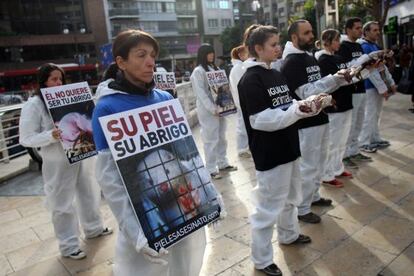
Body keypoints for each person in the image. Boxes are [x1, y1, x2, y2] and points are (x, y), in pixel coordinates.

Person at [91, 30, 208, 276]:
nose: (151, 62)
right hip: (143, 216)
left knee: (187, 263)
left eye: (153, 55)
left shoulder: (165, 98)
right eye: (141, 55)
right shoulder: (106, 108)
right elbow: (110, 178)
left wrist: (209, 197)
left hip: (185, 208)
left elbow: (186, 152)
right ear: (120, 62)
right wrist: (135, 233)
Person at [238, 25, 334, 276]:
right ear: (258, 49)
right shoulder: (251, 78)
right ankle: (261, 259)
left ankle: (289, 234)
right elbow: (260, 119)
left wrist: (311, 104)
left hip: (289, 146)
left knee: (291, 197)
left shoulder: (275, 72)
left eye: (278, 43)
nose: (278, 47)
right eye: (273, 45)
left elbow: (287, 104)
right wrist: (298, 110)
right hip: (270, 152)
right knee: (268, 207)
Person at [19, 63, 112, 260]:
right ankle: (69, 245)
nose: (58, 82)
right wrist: (50, 135)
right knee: (62, 202)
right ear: (43, 82)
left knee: (89, 191)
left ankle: (93, 227)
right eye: (53, 79)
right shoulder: (34, 105)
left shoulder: (68, 100)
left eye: (60, 79)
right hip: (57, 160)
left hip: (81, 153)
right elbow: (25, 137)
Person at [281, 20, 352, 223]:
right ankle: (302, 209)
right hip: (306, 123)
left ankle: (313, 196)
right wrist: (335, 79)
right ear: (294, 37)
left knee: (321, 161)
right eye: (307, 33)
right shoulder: (291, 63)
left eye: (311, 32)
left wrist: (329, 95)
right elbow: (307, 92)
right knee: (309, 165)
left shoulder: (308, 56)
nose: (312, 36)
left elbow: (318, 87)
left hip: (321, 117)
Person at [315, 29, 356, 187]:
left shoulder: (338, 57)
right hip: (335, 105)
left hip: (346, 102)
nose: (339, 43)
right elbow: (330, 83)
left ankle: (338, 168)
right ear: (327, 41)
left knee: (342, 139)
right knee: (332, 142)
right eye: (337, 40)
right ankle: (326, 174)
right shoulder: (323, 60)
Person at [190, 44, 237, 179]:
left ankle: (222, 163)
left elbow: (223, 88)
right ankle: (210, 168)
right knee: (210, 139)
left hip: (221, 108)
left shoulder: (215, 68)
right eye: (208, 53)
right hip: (208, 111)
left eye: (212, 53)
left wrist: (227, 104)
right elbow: (201, 94)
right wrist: (212, 108)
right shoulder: (198, 72)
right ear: (202, 55)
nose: (211, 55)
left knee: (222, 136)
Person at [340, 17, 374, 166]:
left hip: (361, 87)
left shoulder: (359, 46)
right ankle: (345, 154)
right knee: (350, 123)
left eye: (361, 28)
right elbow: (347, 67)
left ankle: (354, 151)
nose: (360, 31)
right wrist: (363, 61)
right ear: (348, 29)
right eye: (357, 28)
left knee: (359, 122)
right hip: (351, 90)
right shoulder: (343, 46)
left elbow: (362, 66)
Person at [358, 21, 396, 151]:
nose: (378, 32)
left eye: (378, 30)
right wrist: (383, 88)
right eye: (374, 30)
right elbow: (371, 71)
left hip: (376, 86)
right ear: (366, 32)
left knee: (376, 114)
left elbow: (381, 66)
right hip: (369, 86)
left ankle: (374, 138)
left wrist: (390, 83)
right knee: (369, 114)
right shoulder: (364, 46)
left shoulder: (373, 45)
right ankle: (363, 142)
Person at [229, 45, 250, 158]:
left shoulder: (239, 67)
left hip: (241, 100)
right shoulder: (238, 68)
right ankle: (242, 149)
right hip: (241, 101)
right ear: (241, 55)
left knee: (243, 124)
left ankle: (244, 148)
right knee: (242, 125)